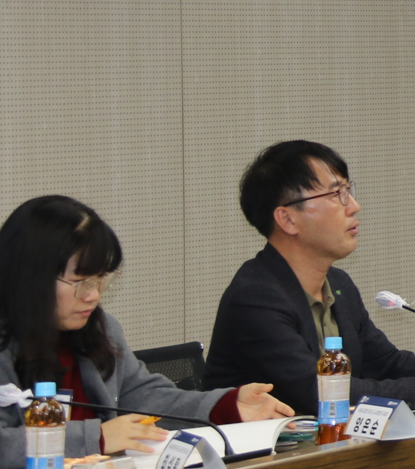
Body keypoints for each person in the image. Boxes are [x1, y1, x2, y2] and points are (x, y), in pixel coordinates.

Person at [0, 196, 292, 463]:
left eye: (100, 279)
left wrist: (224, 406)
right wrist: (97, 437)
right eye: (80, 282)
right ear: (29, 278)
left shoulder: (100, 330)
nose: (93, 295)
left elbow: (144, 398)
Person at [205, 141, 415, 413]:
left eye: (348, 191)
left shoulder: (338, 284)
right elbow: (320, 392)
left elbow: (385, 363)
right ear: (288, 219)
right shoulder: (256, 297)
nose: (354, 206)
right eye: (336, 194)